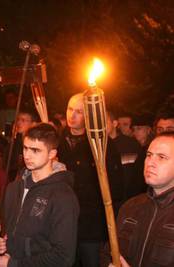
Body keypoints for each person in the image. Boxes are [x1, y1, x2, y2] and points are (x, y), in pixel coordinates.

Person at [0, 124, 79, 267]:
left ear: (52, 154)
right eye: (25, 148)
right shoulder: (14, 187)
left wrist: (15, 264)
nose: (27, 155)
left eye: (35, 150)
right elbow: (10, 234)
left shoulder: (63, 196)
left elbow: (64, 256)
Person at [57, 93, 123, 267]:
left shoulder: (102, 144)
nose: (72, 115)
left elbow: (115, 187)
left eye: (79, 111)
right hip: (61, 223)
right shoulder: (55, 140)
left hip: (91, 226)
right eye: (70, 109)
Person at [105, 132, 174, 267]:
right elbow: (108, 251)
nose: (150, 162)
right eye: (149, 155)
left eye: (161, 157)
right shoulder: (130, 206)